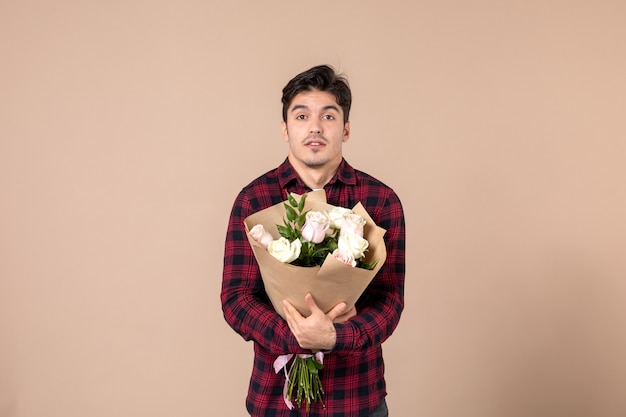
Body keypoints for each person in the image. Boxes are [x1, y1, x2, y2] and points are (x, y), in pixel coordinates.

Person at [221, 65, 406, 417]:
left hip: (357, 399)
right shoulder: (254, 200)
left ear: (346, 129)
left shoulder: (381, 201)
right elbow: (236, 298)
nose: (315, 126)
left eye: (329, 115)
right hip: (276, 400)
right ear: (285, 128)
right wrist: (299, 336)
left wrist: (336, 337)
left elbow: (390, 301)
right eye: (302, 115)